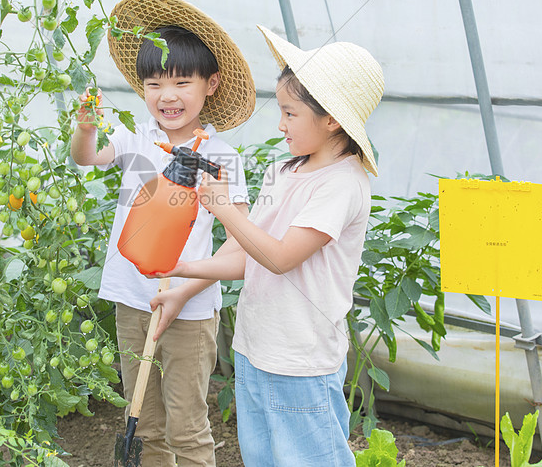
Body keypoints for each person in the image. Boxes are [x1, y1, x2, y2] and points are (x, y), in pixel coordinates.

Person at [149, 25, 385, 467]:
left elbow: (279, 258)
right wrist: (180, 271)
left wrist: (225, 209)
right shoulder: (285, 170)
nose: (280, 123)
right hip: (256, 348)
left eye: (290, 113)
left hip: (302, 359)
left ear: (332, 118)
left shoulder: (342, 184)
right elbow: (246, 255)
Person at [71, 0, 255, 467]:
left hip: (191, 309)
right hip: (132, 298)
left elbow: (239, 244)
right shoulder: (136, 139)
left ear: (211, 84)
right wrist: (86, 129)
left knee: (187, 426)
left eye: (181, 82)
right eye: (153, 83)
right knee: (145, 424)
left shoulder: (222, 158)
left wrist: (183, 291)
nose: (166, 95)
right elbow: (86, 157)